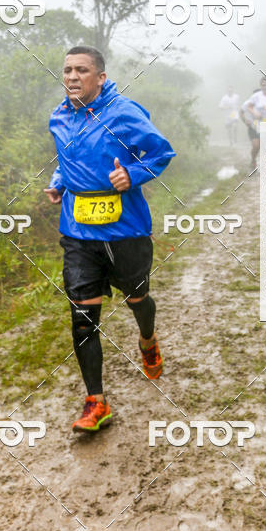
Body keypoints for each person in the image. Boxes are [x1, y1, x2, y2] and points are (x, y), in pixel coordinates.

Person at [44, 46, 175, 434]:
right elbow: (68, 160)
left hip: (126, 231)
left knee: (138, 299)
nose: (71, 77)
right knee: (83, 319)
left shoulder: (123, 112)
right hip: (78, 233)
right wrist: (58, 182)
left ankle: (147, 339)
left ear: (100, 77)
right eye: (67, 70)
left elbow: (160, 152)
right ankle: (95, 402)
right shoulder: (58, 116)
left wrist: (132, 175)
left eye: (81, 70)